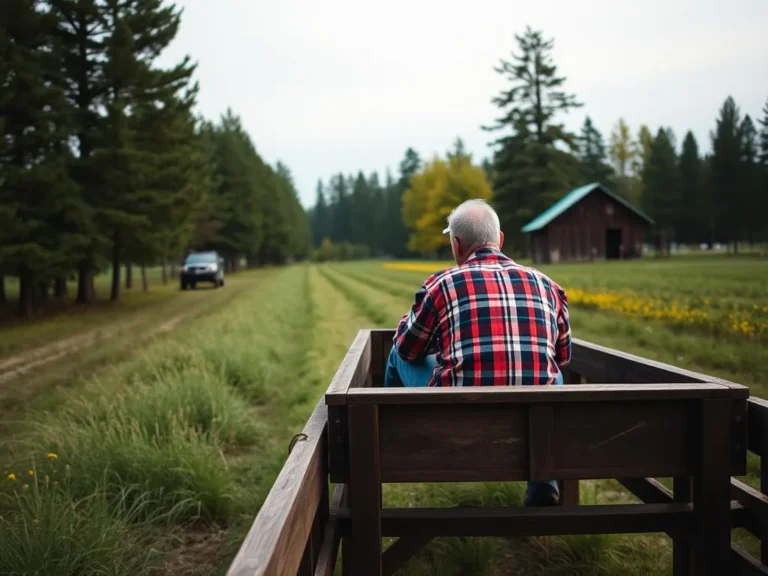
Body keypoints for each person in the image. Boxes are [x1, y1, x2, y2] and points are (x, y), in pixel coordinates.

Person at [385, 199, 571, 507]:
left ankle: (395, 443)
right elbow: (563, 357)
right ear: (500, 240)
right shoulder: (548, 285)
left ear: (457, 246)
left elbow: (407, 348)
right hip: (532, 429)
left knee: (395, 355)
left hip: (458, 428)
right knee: (553, 371)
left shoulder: (441, 285)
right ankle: (543, 479)